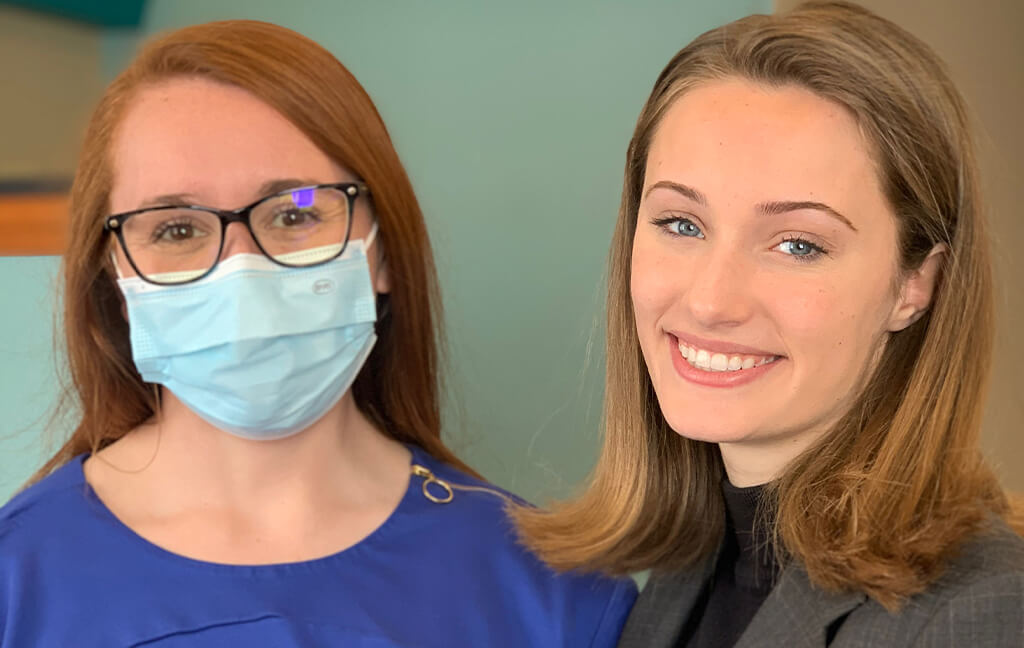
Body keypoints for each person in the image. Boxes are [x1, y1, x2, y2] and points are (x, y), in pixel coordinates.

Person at [0, 20, 636, 647]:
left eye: (295, 212)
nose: (239, 269)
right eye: (176, 229)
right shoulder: (16, 584)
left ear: (382, 252)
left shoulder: (554, 595)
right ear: (114, 280)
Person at [514, 2, 1024, 646]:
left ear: (915, 283)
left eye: (798, 244)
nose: (710, 301)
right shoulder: (695, 566)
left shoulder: (983, 615)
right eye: (682, 224)